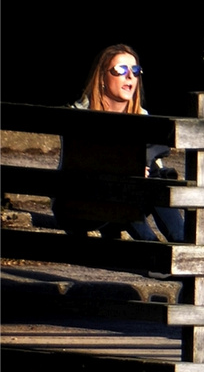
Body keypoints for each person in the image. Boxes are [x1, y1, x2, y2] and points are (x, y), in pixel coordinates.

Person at [64, 44, 185, 245]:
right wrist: (127, 169)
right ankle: (153, 253)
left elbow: (157, 156)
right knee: (129, 184)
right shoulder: (80, 115)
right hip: (84, 204)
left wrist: (140, 169)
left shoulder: (142, 117)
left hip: (128, 199)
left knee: (154, 180)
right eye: (121, 70)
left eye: (135, 70)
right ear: (102, 77)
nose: (130, 76)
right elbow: (80, 168)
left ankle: (183, 247)